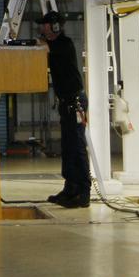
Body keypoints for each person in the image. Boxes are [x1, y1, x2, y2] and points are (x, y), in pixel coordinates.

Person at [36, 11, 89, 208]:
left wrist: (37, 43)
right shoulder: (53, 46)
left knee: (77, 147)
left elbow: (44, 47)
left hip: (75, 102)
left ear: (55, 26)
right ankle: (70, 188)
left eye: (45, 25)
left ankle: (84, 192)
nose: (42, 28)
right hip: (66, 103)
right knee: (68, 148)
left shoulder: (63, 44)